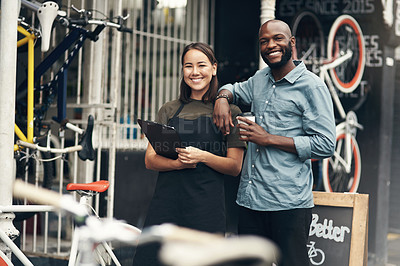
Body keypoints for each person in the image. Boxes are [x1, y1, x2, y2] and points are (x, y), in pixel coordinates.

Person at [213, 20, 336, 266]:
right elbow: (234, 89)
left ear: (292, 43)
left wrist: (267, 139)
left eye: (278, 38)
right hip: (250, 200)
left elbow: (325, 144)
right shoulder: (260, 79)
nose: (271, 45)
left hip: (288, 205)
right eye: (264, 41)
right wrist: (222, 98)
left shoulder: (312, 86)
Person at [133, 42, 246, 266]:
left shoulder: (230, 112)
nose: (195, 72)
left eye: (201, 65)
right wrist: (178, 165)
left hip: (206, 209)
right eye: (188, 66)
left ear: (214, 68)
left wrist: (202, 156)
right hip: (166, 205)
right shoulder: (169, 109)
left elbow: (235, 167)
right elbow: (150, 160)